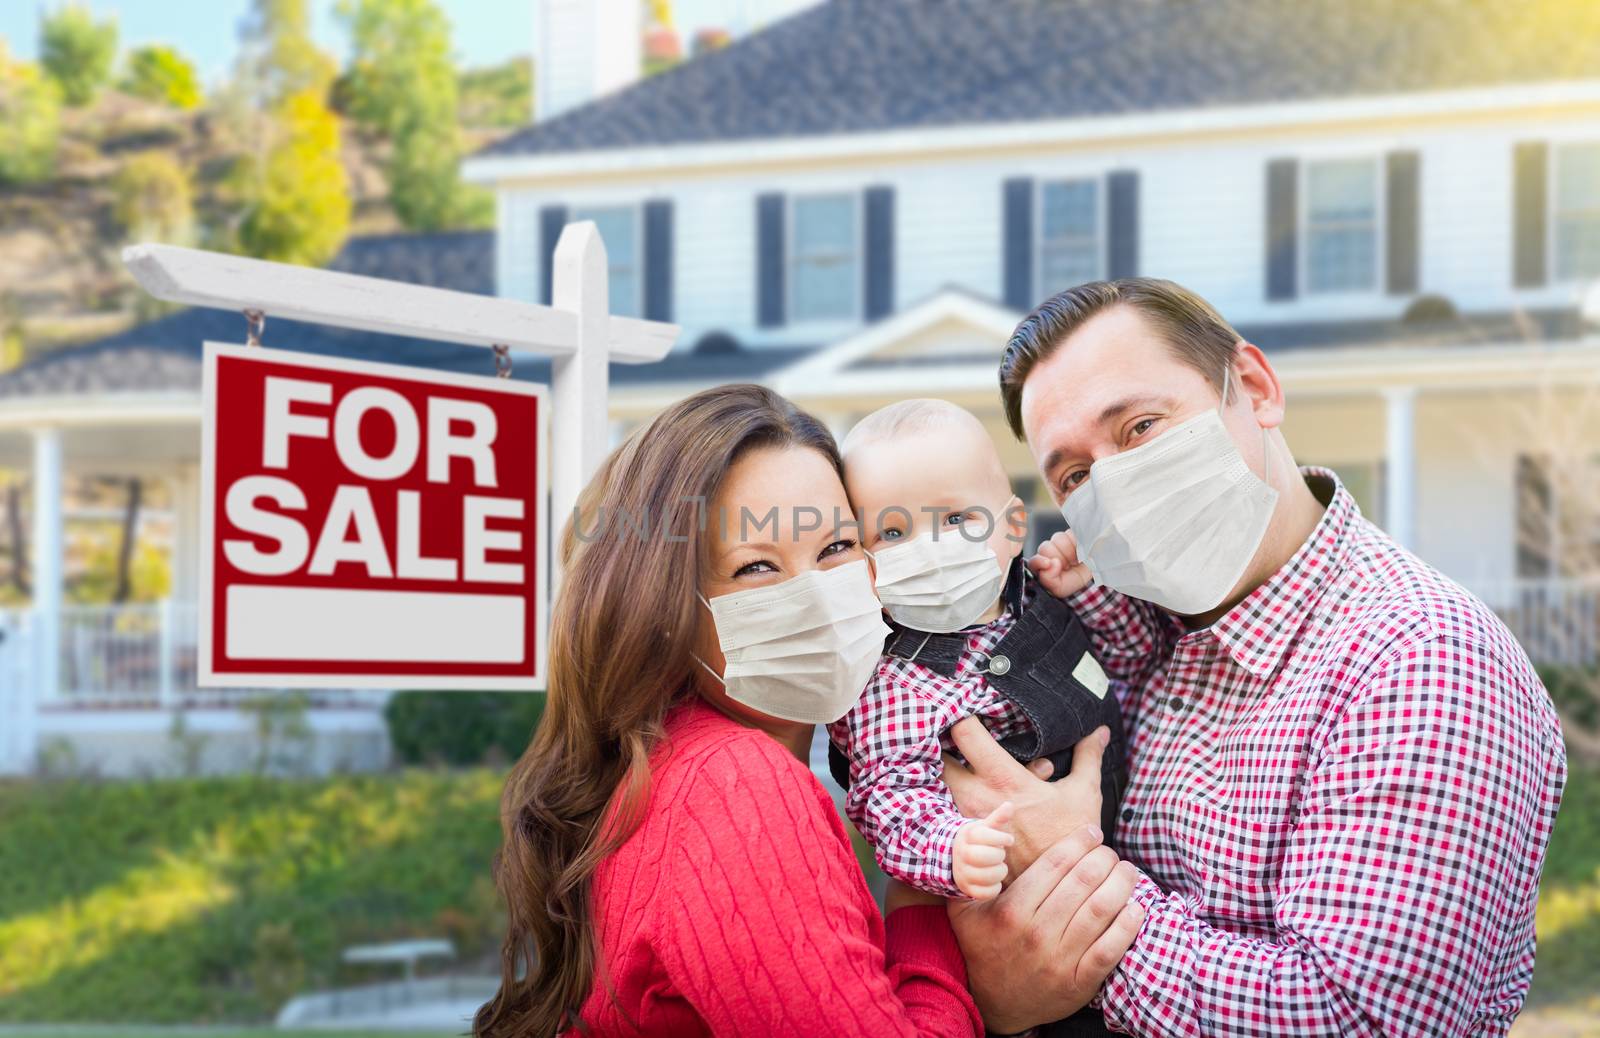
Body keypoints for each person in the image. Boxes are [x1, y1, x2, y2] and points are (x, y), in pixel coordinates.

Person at [945, 277, 1568, 1035]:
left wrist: (1069, 892)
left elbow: (1357, 1021)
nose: (1114, 485)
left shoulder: (1420, 658)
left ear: (1255, 387)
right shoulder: (1140, 633)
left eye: (1141, 426)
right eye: (1075, 475)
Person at [471, 384, 1145, 1038]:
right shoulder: (737, 788)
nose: (819, 594)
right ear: (662, 606)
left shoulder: (671, 759)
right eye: (755, 567)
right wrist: (939, 931)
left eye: (835, 547)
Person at [827, 398, 1134, 1038]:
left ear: (1012, 526)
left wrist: (1088, 593)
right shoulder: (893, 681)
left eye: (957, 520)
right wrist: (950, 848)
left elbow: (1127, 661)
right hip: (1006, 908)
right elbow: (889, 797)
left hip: (1122, 865)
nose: (930, 548)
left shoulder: (1038, 595)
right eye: (890, 533)